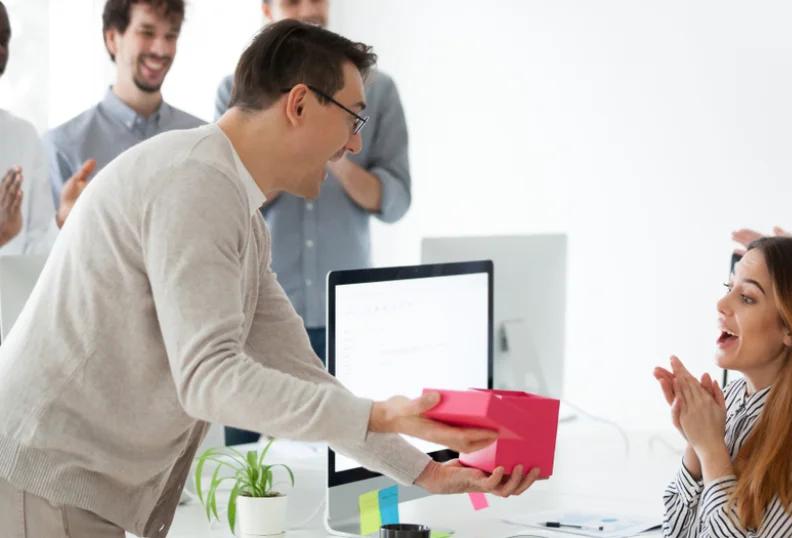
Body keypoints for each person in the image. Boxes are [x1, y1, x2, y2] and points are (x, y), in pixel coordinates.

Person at [0, 20, 539, 538]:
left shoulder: (234, 210)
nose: (354, 145)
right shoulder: (197, 183)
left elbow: (305, 377)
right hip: (44, 482)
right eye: (354, 119)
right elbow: (209, 380)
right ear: (300, 104)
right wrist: (379, 415)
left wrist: (427, 474)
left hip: (60, 486)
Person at [214, 0, 411, 364]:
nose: (309, 9)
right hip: (258, 316)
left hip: (350, 314)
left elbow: (397, 200)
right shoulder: (238, 95)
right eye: (292, 0)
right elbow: (233, 195)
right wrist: (313, 143)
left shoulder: (379, 91)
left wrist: (330, 142)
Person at [655, 236, 792, 537]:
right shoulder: (729, 401)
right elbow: (674, 533)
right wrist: (696, 439)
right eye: (728, 289)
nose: (721, 304)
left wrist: (710, 449)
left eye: (746, 298)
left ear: (791, 328)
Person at [43, 0, 204, 226]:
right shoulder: (63, 147)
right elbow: (43, 254)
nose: (161, 50)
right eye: (146, 32)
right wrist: (63, 223)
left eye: (171, 36)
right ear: (112, 39)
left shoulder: (203, 139)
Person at [0, 1, 58, 254]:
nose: (0, 50)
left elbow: (38, 251)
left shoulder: (23, 137)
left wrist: (64, 220)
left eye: (3, 39)